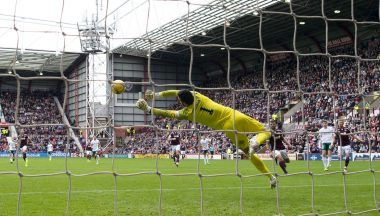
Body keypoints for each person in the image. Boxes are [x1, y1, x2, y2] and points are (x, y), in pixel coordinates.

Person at [136, 89, 276, 188]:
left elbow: (168, 113)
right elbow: (175, 91)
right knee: (266, 131)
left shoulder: (188, 113)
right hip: (235, 115)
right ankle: (256, 141)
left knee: (248, 153)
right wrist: (156, 94)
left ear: (183, 103)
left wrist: (148, 108)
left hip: (227, 128)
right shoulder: (197, 95)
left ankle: (271, 177)